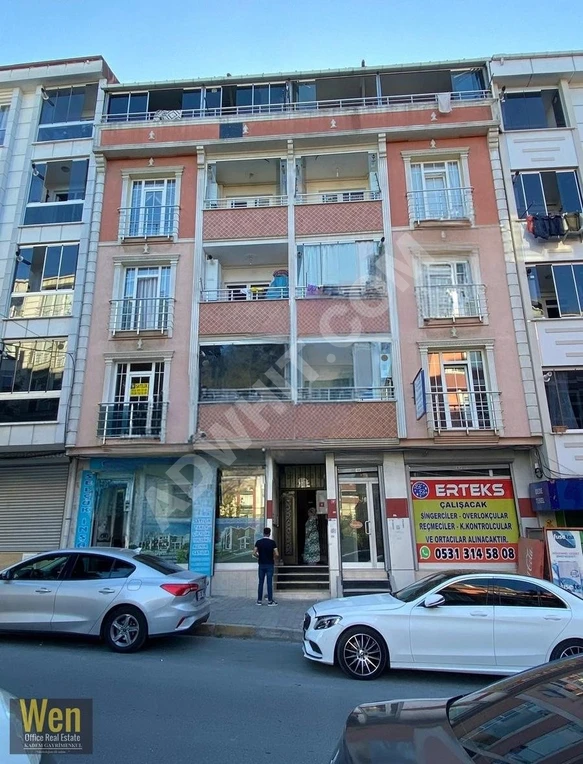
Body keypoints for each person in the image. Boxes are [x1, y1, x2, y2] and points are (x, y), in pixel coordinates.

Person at [253, 527, 279, 606]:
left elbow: (254, 553)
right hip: (270, 565)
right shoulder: (272, 543)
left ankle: (259, 601)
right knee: (269, 583)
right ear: (269, 533)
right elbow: (277, 554)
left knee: (260, 583)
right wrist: (273, 558)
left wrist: (259, 557)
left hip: (261, 565)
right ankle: (270, 601)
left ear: (263, 533)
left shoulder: (258, 542)